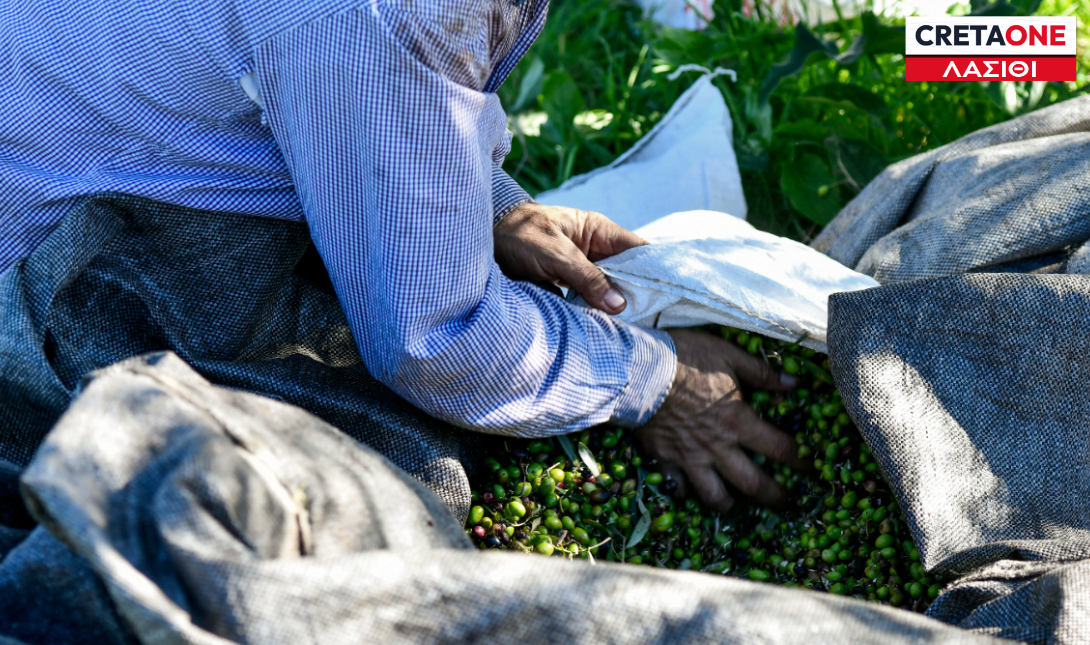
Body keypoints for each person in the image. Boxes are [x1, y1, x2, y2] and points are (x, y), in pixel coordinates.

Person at [0, 0, 801, 511]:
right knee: (385, 490)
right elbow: (430, 339)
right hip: (57, 265)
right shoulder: (394, 13)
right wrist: (657, 382)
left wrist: (492, 206)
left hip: (95, 134)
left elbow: (334, 88)